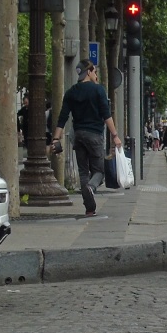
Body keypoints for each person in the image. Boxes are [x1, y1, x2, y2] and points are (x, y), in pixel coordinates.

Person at [51, 61, 120, 217]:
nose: (96, 75)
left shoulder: (71, 92)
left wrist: (56, 138)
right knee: (99, 171)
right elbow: (106, 115)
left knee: (83, 171)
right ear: (89, 72)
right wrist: (115, 136)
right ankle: (92, 187)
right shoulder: (98, 90)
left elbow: (62, 118)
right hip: (94, 135)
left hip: (78, 135)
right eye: (94, 71)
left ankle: (89, 208)